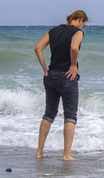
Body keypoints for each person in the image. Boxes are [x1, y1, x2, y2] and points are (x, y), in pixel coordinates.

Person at [34, 10, 88, 160]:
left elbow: (37, 48)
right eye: (83, 24)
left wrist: (45, 70)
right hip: (67, 77)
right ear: (81, 20)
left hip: (50, 76)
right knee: (70, 115)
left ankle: (39, 152)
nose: (82, 27)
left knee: (49, 113)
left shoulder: (54, 30)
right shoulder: (77, 32)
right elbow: (73, 47)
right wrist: (73, 65)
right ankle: (66, 155)